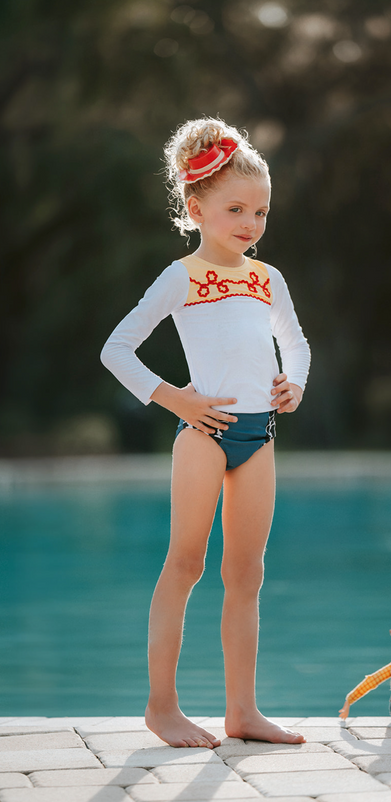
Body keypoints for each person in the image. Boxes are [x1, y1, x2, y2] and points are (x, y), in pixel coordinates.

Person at [101, 118, 311, 749]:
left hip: (260, 438)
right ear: (197, 209)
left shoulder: (266, 277)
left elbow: (295, 344)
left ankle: (242, 711)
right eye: (236, 209)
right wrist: (176, 400)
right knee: (186, 564)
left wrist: (294, 383)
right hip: (204, 436)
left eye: (262, 212)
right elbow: (117, 349)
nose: (251, 223)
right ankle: (161, 707)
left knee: (246, 573)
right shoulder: (181, 275)